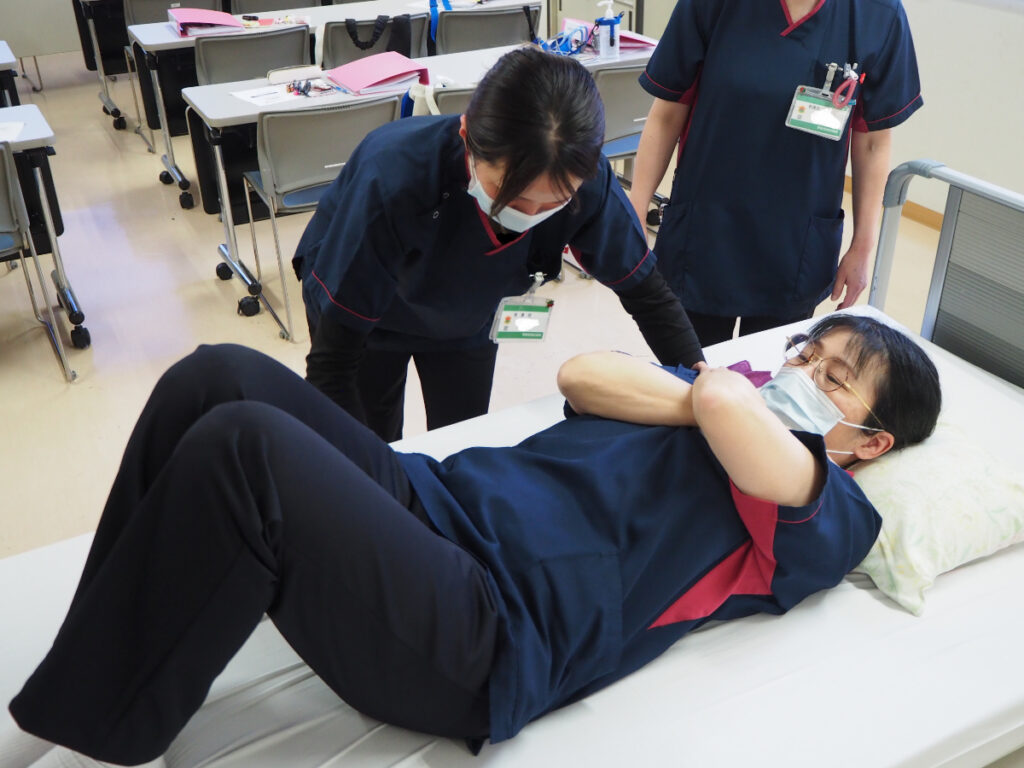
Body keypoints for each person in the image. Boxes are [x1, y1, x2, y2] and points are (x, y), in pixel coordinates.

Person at [9, 314, 941, 765]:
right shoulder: (704, 396)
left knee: (243, 451)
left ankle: (98, 731)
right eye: (806, 352)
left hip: (488, 625)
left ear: (873, 442)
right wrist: (701, 394)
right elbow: (584, 372)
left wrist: (721, 393)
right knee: (216, 377)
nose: (803, 370)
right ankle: (102, 643)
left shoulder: (828, 505)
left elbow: (731, 406)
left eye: (836, 377)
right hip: (435, 499)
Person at [295, 45, 704, 442]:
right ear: (466, 136)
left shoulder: (586, 181)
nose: (530, 214)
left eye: (554, 202)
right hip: (369, 320)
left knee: (462, 435)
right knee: (373, 437)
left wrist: (702, 380)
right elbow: (333, 365)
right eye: (512, 197)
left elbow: (647, 294)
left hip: (470, 317)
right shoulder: (393, 177)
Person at [629, 0, 923, 345]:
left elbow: (873, 142)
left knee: (772, 370)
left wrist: (862, 246)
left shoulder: (879, 14)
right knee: (691, 368)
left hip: (796, 245)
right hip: (705, 232)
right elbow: (667, 112)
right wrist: (635, 210)